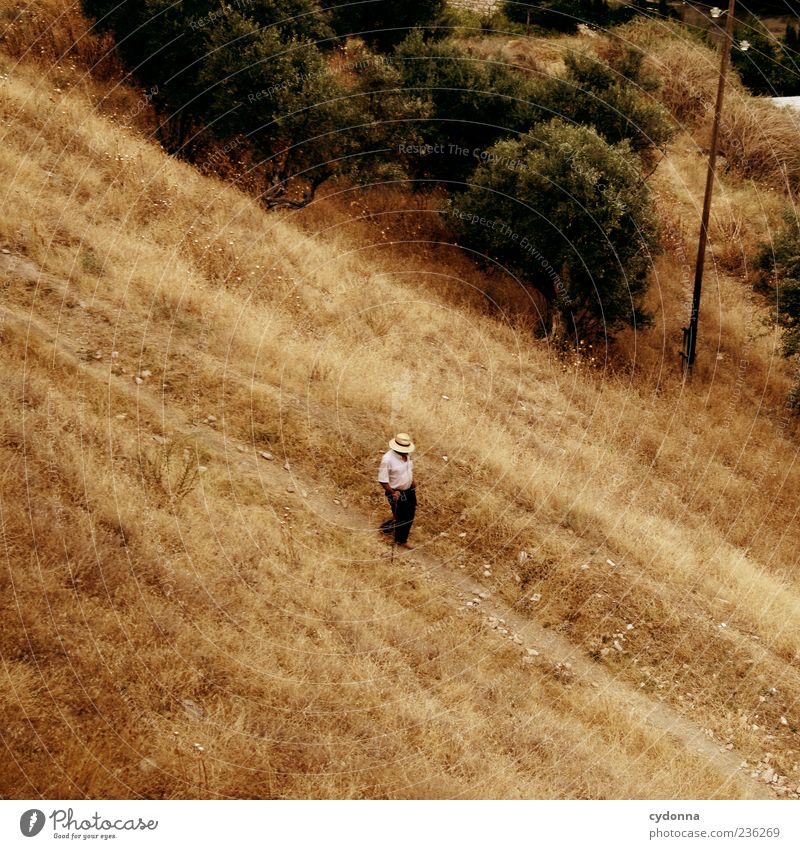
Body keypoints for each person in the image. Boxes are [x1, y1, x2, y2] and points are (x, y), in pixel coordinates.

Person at [377, 432, 416, 549]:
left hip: (409, 490)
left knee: (409, 514)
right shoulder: (387, 460)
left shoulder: (407, 455)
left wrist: (412, 482)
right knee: (403, 516)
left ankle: (392, 530)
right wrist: (392, 493)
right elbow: (383, 480)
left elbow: (407, 470)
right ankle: (400, 540)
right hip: (397, 493)